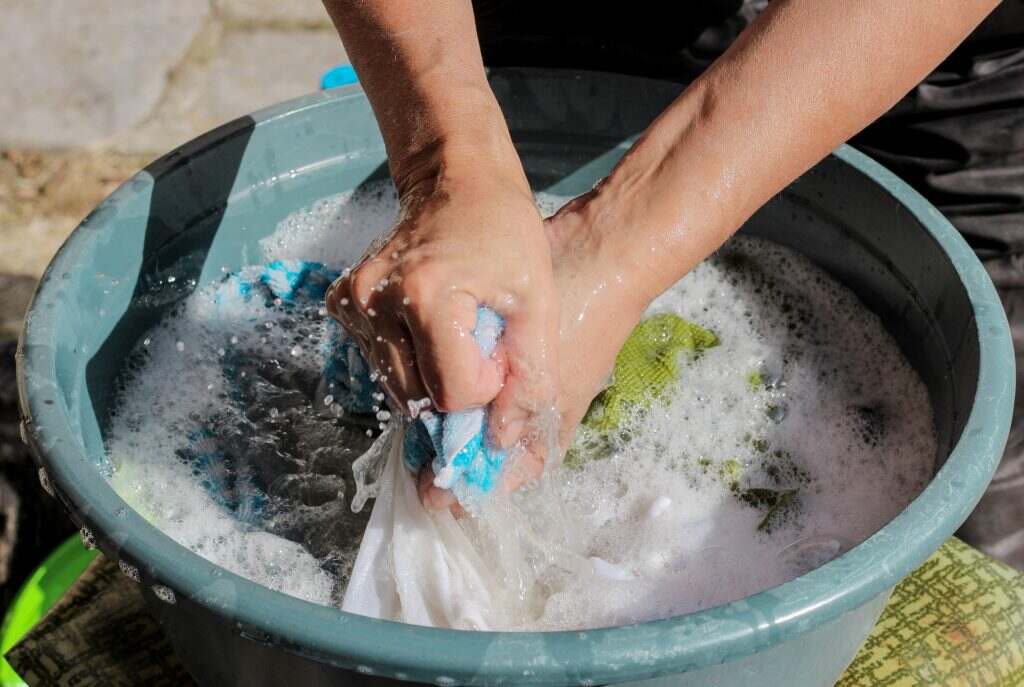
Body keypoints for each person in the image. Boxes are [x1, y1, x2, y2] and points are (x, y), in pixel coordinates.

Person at [321, 1, 1024, 564]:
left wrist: (607, 249)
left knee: (969, 532)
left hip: (913, 64)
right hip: (562, 29)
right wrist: (450, 159)